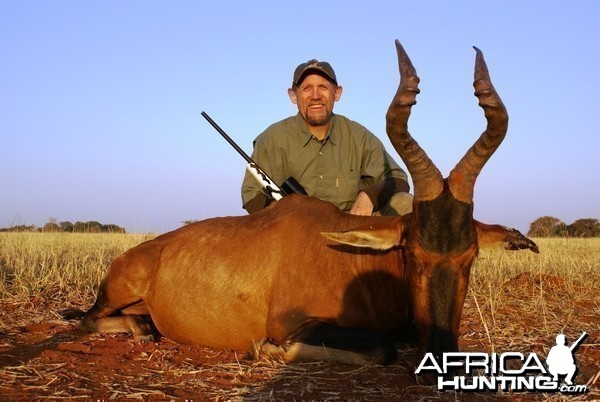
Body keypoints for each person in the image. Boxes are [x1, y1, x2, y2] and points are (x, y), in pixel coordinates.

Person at [241, 58, 412, 216]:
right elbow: (251, 196)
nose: (315, 96)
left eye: (323, 87)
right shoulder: (271, 139)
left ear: (337, 93)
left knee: (405, 203)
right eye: (307, 88)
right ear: (293, 95)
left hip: (350, 225)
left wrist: (368, 196)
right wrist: (285, 212)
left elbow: (398, 178)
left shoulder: (359, 136)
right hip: (294, 229)